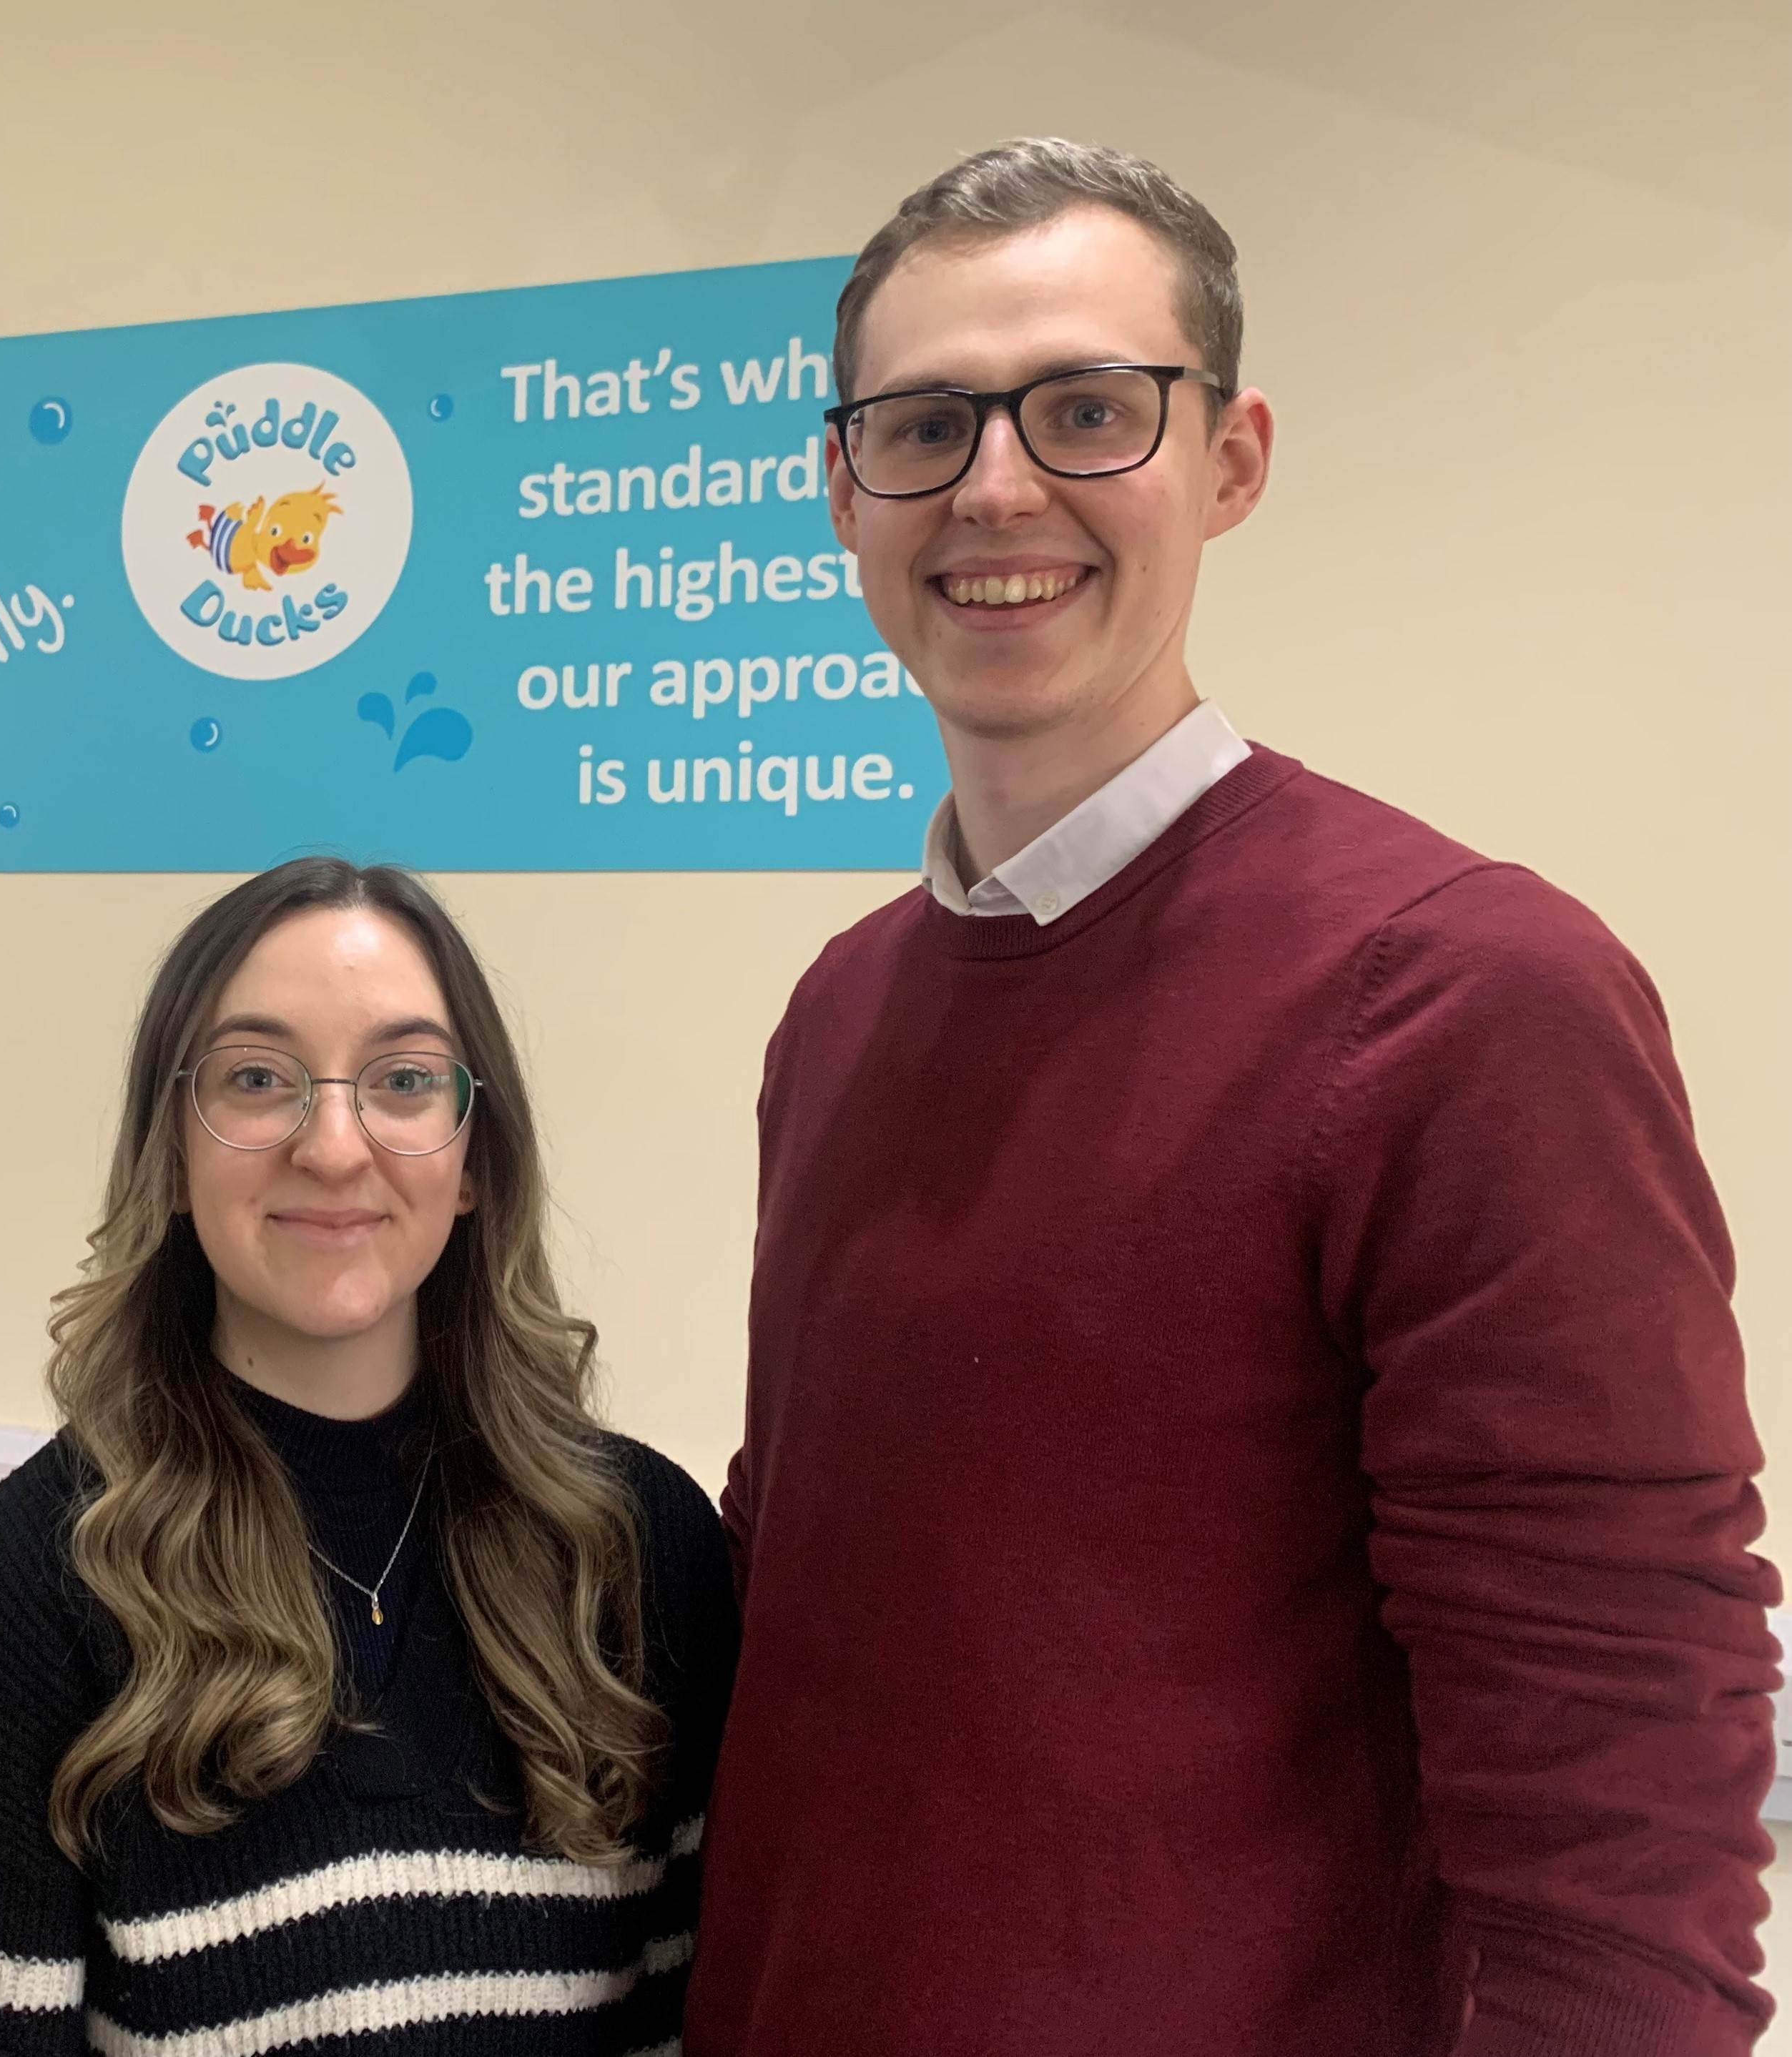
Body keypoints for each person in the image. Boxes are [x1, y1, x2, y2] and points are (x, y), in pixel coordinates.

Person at [688, 137, 1777, 2056]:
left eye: (1086, 410)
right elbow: (818, 1612)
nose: (996, 484)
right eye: (924, 423)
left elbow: (1621, 1801)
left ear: (1229, 458)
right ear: (840, 485)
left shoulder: (1465, 996)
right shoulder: (838, 1011)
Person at [0, 858, 735, 2056]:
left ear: (473, 1156)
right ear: (172, 1145)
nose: (332, 1144)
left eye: (404, 1079)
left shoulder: (638, 1550)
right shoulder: (29, 1589)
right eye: (257, 1078)